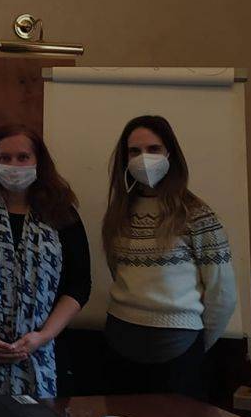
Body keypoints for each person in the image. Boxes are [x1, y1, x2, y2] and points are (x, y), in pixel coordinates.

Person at [100, 114, 235, 398]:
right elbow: (118, 272)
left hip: (177, 349)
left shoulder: (196, 215)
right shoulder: (118, 213)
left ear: (170, 154)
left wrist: (196, 343)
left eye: (153, 149)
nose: (143, 158)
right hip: (119, 342)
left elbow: (222, 293)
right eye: (134, 151)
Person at [0, 123, 90, 398]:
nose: (14, 165)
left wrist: (43, 336)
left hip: (46, 354)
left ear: (39, 161)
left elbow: (79, 285)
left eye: (23, 157)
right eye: (5, 158)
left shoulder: (62, 216)